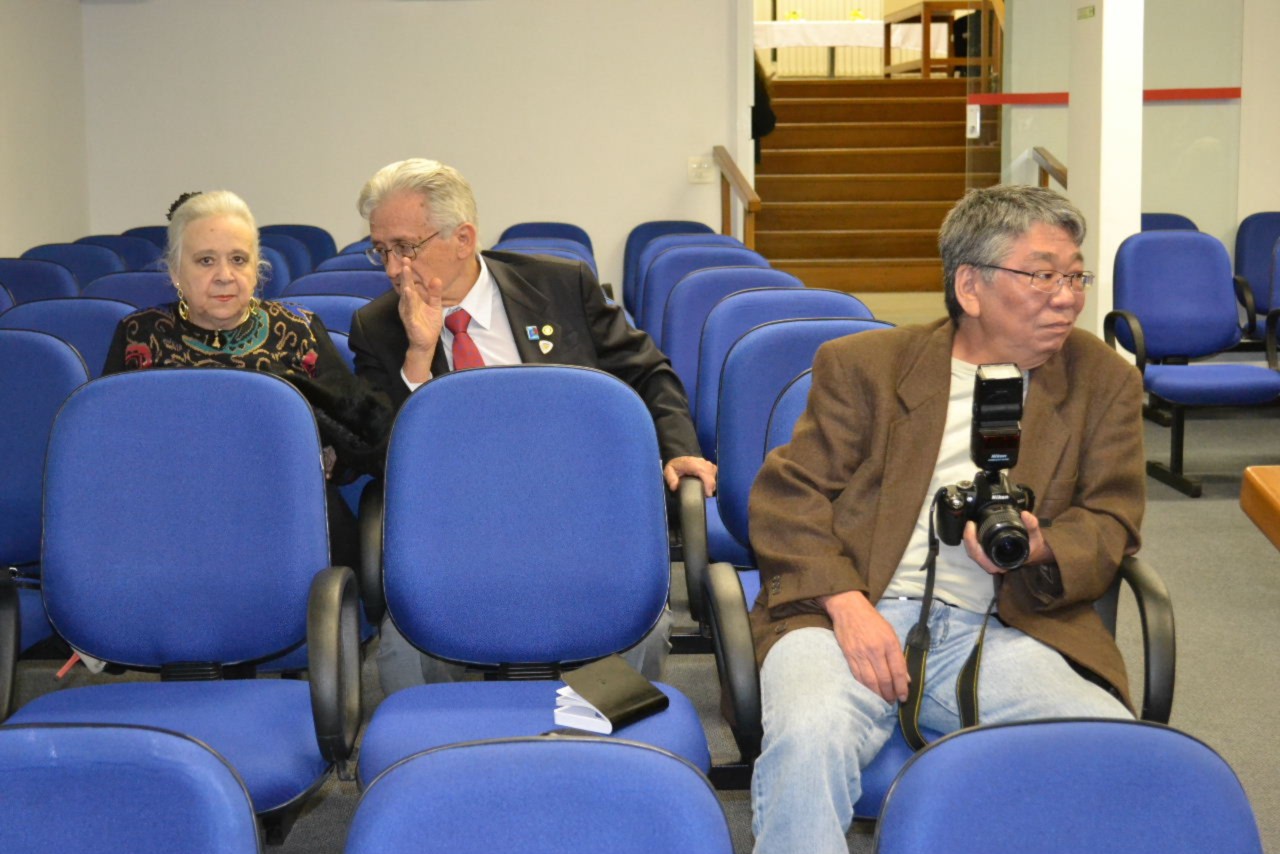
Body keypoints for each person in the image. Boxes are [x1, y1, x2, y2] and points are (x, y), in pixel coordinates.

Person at [747, 185, 1144, 854]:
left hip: (1006, 626)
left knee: (1114, 752)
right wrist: (845, 603)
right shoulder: (866, 367)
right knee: (808, 737)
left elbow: (1112, 519)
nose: (1067, 297)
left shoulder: (1103, 382)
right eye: (1043, 275)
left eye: (1076, 277)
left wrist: (1043, 545)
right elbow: (788, 496)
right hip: (848, 614)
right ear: (970, 286)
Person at [347, 158, 716, 692]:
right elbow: (384, 454)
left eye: (406, 247)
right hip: (458, 533)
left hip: (577, 517)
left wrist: (679, 449)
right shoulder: (378, 326)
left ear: (463, 238)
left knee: (645, 630)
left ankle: (596, 731)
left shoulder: (560, 285)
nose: (392, 269)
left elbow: (647, 374)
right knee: (403, 653)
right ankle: (456, 743)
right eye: (381, 250)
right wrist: (419, 358)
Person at [103, 190, 391, 573]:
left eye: (238, 259)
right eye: (205, 261)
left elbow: (358, 430)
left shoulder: (298, 329)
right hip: (170, 520)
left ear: (257, 268)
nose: (225, 275)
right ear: (175, 272)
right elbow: (111, 448)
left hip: (285, 519)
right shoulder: (139, 334)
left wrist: (331, 454)